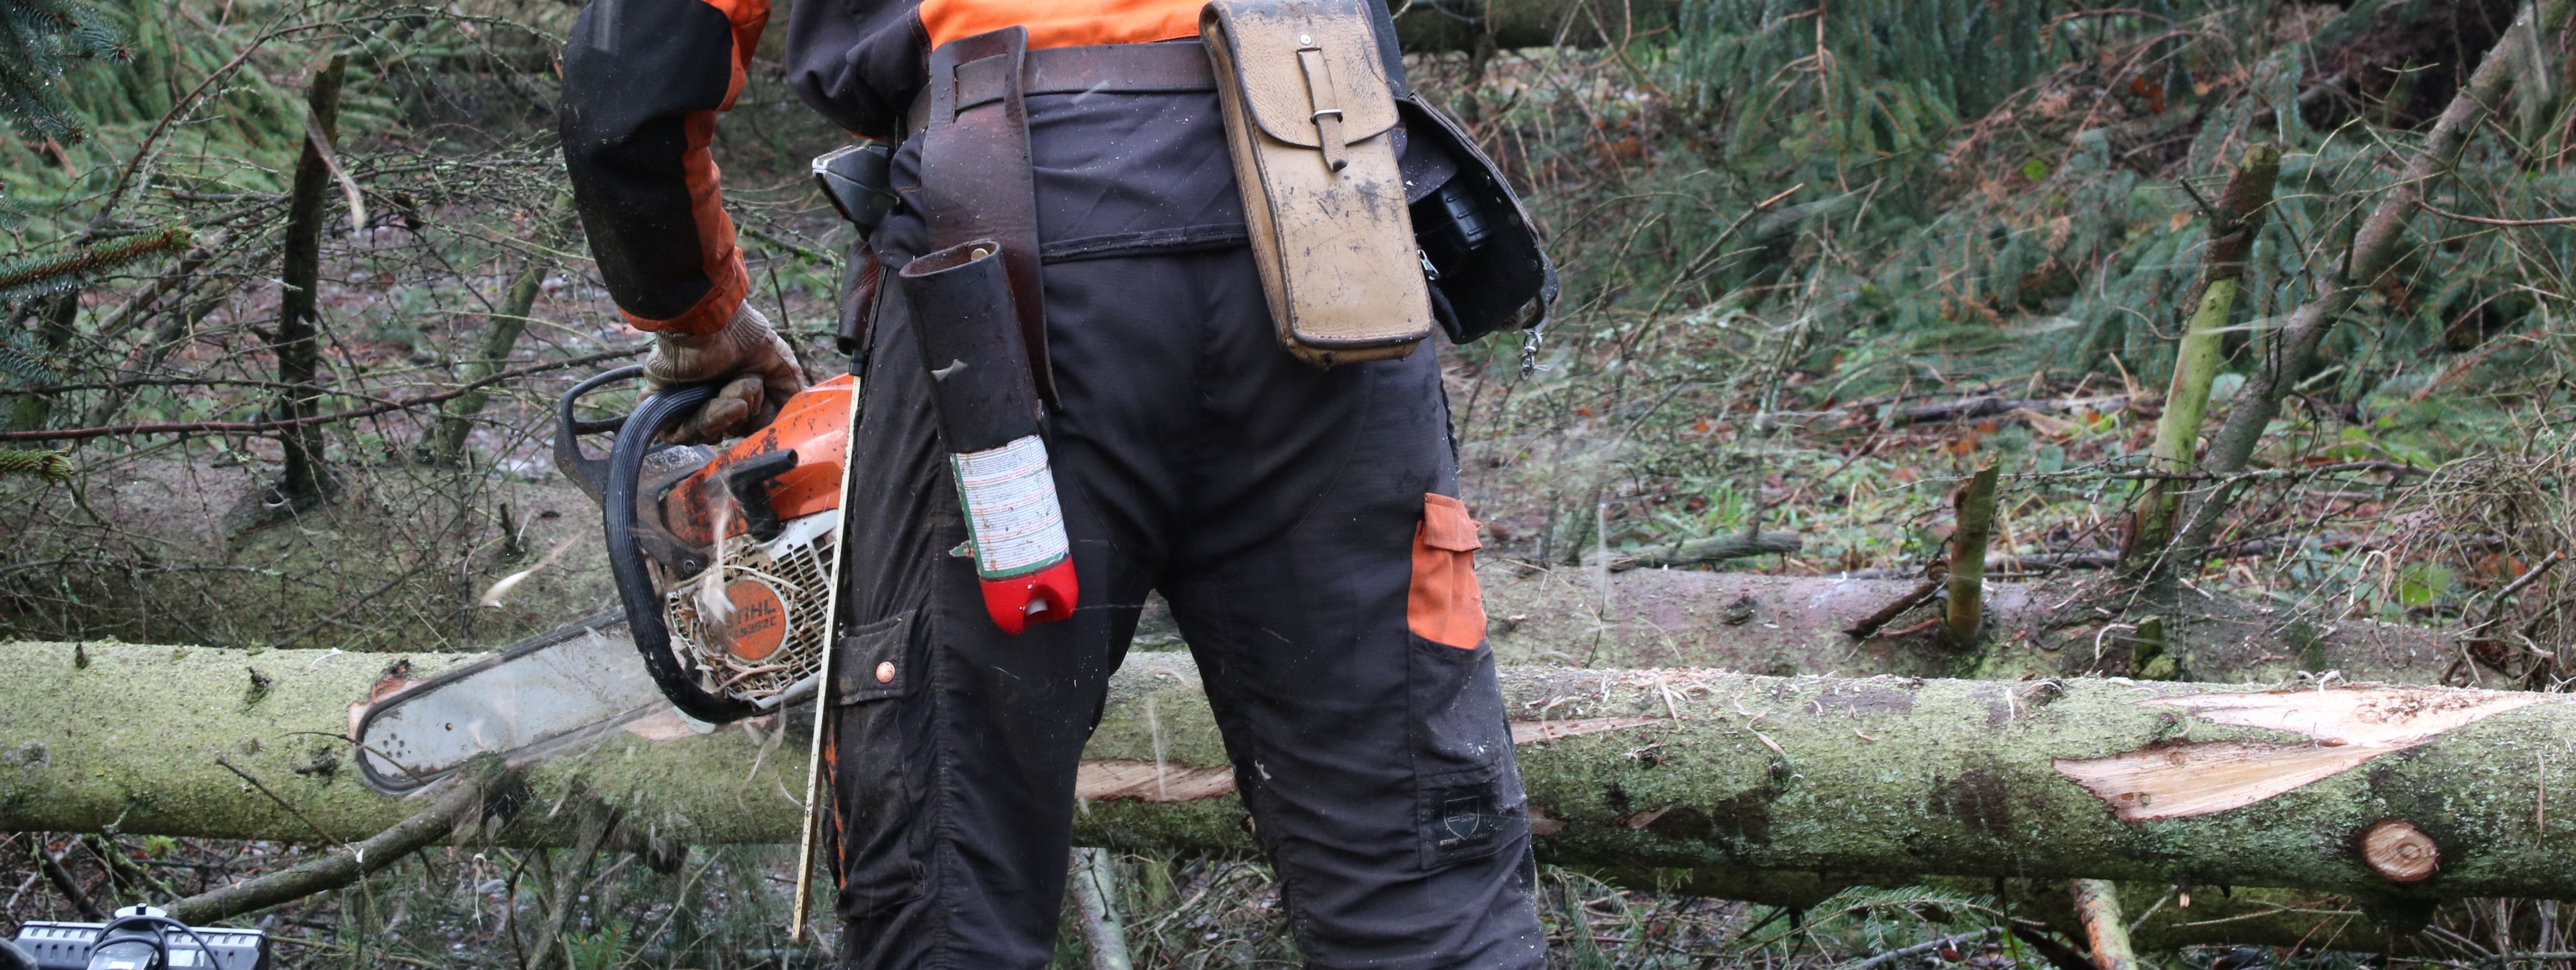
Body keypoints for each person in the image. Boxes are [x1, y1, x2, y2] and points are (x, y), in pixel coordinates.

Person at [556, 0, 1548, 966]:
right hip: (1330, 217)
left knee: (951, 892)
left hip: (1001, 249)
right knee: (1420, 889)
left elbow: (632, 73)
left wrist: (698, 315)